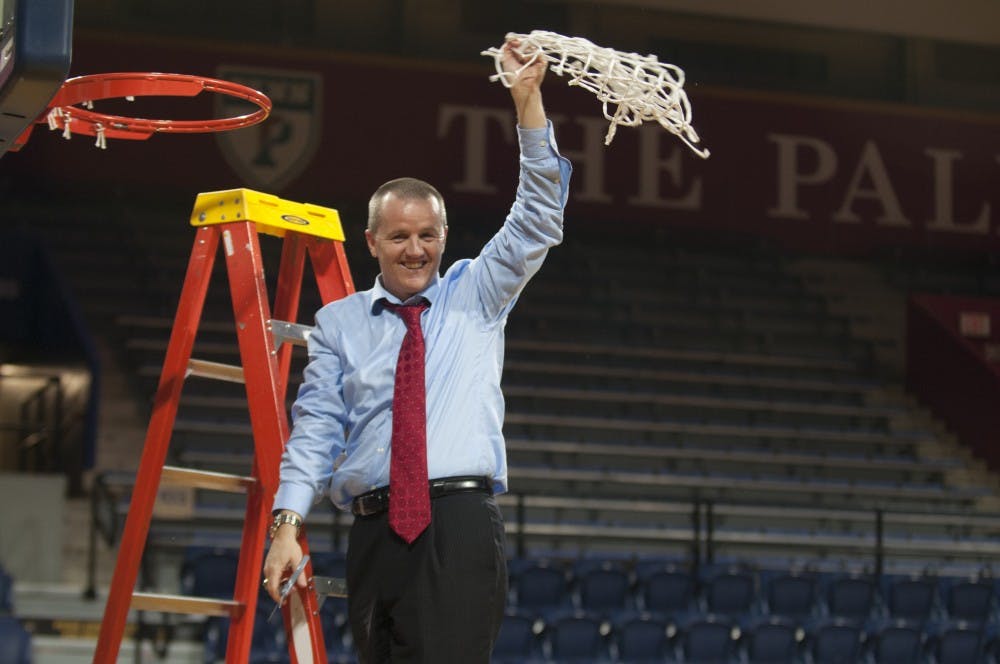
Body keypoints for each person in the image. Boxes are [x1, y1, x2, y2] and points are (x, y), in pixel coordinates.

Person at [262, 36, 572, 663]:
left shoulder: (476, 294)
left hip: (456, 527)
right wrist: (287, 525)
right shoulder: (339, 323)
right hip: (373, 534)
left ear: (444, 236)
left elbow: (539, 216)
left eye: (428, 235)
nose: (415, 249)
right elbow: (316, 431)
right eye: (399, 235)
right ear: (371, 240)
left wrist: (528, 103)